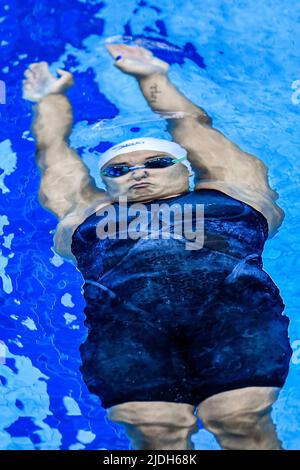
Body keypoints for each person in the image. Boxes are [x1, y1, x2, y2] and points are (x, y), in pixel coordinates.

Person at [22, 43, 292, 450]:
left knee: (238, 420)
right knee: (157, 435)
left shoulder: (233, 193)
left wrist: (151, 77)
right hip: (129, 332)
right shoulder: (85, 215)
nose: (139, 173)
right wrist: (49, 99)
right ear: (107, 183)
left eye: (157, 163)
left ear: (186, 170)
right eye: (119, 170)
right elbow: (53, 155)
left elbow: (192, 124)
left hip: (233, 318)